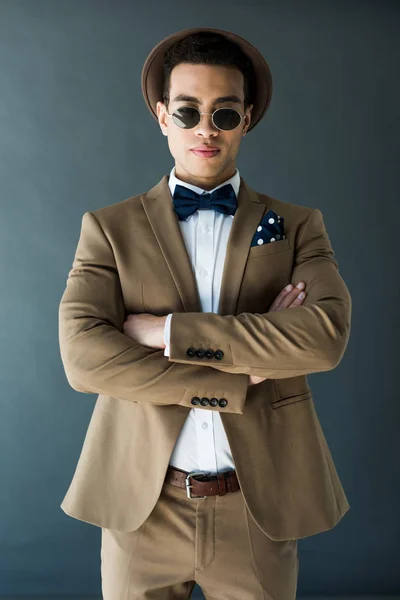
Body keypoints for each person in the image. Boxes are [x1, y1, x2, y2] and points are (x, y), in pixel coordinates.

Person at [58, 27, 352, 599]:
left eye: (223, 114)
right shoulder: (109, 228)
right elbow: (84, 360)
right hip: (142, 506)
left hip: (256, 506)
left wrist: (164, 331)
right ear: (163, 116)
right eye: (189, 111)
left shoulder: (297, 225)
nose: (204, 130)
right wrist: (242, 372)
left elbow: (324, 339)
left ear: (247, 119)